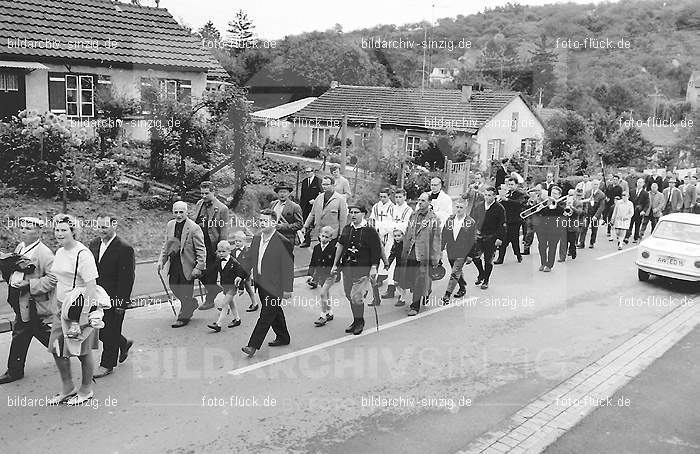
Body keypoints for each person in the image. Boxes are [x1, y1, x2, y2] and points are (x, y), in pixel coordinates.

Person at [47, 214, 105, 406]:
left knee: (82, 351)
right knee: (56, 348)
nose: (59, 233)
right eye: (57, 229)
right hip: (61, 310)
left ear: (74, 231)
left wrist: (83, 317)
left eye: (64, 230)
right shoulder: (60, 251)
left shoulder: (83, 254)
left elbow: (91, 287)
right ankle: (67, 387)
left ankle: (86, 389)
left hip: (79, 311)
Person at [0, 217, 56, 385]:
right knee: (36, 331)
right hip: (21, 301)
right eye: (22, 227)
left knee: (21, 332)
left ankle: (14, 371)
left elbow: (53, 279)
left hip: (32, 303)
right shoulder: (21, 247)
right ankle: (70, 351)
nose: (23, 230)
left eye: (28, 228)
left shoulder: (45, 253)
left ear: (38, 232)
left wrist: (29, 284)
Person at [241, 210, 294, 357]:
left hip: (275, 286)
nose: (262, 223)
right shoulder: (257, 237)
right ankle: (283, 337)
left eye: (265, 221)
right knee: (274, 311)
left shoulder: (283, 242)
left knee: (265, 315)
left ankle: (252, 346)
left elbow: (288, 268)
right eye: (260, 220)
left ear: (274, 223)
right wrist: (241, 275)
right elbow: (250, 258)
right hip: (260, 283)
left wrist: (287, 289)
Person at [89, 214, 135, 379]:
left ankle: (107, 364)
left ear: (114, 225)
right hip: (96, 296)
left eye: (105, 227)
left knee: (111, 330)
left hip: (115, 298)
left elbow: (127, 278)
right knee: (100, 329)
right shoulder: (94, 244)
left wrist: (121, 303)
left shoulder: (124, 248)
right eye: (99, 227)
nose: (101, 231)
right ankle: (123, 343)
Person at [330, 202, 382, 333]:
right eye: (351, 212)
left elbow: (376, 250)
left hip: (363, 270)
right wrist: (335, 264)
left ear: (363, 214)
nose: (352, 215)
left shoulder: (370, 231)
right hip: (347, 268)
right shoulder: (347, 228)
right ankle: (355, 320)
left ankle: (360, 322)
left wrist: (374, 267)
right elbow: (340, 246)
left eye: (356, 212)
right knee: (349, 296)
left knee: (356, 297)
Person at [157, 201, 207, 328]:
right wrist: (161, 260)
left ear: (186, 212)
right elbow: (166, 245)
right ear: (173, 212)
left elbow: (201, 249)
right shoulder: (170, 225)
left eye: (181, 212)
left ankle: (183, 317)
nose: (178, 215)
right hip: (174, 263)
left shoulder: (194, 227)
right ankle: (191, 304)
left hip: (188, 265)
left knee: (185, 291)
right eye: (176, 212)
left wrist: (199, 267)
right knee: (174, 287)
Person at [400, 192, 441, 315]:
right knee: (411, 277)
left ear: (429, 203)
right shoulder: (413, 215)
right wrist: (404, 249)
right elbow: (408, 232)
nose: (420, 203)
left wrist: (435, 258)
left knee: (420, 278)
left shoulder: (434, 219)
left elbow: (436, 240)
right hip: (411, 252)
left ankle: (415, 306)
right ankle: (426, 290)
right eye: (419, 200)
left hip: (424, 254)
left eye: (423, 200)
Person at [193, 181, 230, 311]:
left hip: (212, 244)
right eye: (202, 193)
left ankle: (209, 300)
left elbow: (224, 229)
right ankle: (214, 289)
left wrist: (222, 248)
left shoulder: (222, 208)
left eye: (206, 193)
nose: (203, 196)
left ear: (214, 192)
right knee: (198, 270)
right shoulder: (199, 203)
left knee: (210, 272)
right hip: (199, 243)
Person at [441, 199, 477, 304]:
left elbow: (473, 240)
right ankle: (462, 287)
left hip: (463, 251)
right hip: (451, 250)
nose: (459, 209)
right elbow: (444, 235)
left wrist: (471, 255)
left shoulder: (470, 222)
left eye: (461, 207)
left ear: (465, 208)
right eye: (457, 207)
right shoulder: (450, 220)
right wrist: (441, 249)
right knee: (456, 270)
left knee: (455, 272)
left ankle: (447, 294)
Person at [207, 240, 245, 332]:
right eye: (219, 251)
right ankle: (237, 319)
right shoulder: (218, 261)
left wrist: (241, 288)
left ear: (229, 251)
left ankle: (218, 324)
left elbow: (241, 274)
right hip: (225, 286)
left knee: (224, 304)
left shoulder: (234, 263)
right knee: (231, 303)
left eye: (223, 251)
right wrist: (202, 273)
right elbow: (211, 270)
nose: (221, 253)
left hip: (232, 287)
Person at [382, 189, 413, 299]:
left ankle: (402, 292)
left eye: (400, 197)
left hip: (402, 241)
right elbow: (387, 223)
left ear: (405, 197)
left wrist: (397, 229)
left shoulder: (408, 210)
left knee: (400, 265)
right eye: (396, 197)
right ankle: (390, 289)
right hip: (392, 238)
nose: (398, 199)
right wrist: (393, 230)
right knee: (390, 264)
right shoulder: (392, 209)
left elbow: (406, 225)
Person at [473, 187, 505, 288]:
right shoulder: (479, 206)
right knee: (475, 257)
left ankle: (486, 280)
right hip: (479, 236)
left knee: (488, 260)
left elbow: (502, 224)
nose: (487, 197)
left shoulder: (499, 208)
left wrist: (500, 238)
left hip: (492, 237)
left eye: (489, 195)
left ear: (494, 196)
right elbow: (473, 219)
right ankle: (481, 273)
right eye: (486, 195)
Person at [301, 176, 348, 243]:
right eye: (323, 184)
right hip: (319, 234)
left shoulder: (340, 199)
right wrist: (305, 226)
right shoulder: (319, 197)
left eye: (327, 184)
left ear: (333, 185)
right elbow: (312, 214)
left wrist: (341, 235)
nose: (324, 186)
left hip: (332, 236)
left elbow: (343, 219)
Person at [307, 226, 338, 327]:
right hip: (321, 276)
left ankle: (323, 316)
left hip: (330, 275)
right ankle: (330, 312)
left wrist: (336, 271)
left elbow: (337, 262)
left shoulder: (334, 249)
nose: (324, 238)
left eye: (326, 237)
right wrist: (310, 275)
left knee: (322, 293)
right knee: (326, 294)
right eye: (322, 236)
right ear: (319, 236)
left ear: (330, 238)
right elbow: (313, 262)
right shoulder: (316, 248)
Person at [534, 186, 565, 272]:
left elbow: (564, 213)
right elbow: (542, 214)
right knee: (541, 246)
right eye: (552, 193)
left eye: (555, 193)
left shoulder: (562, 204)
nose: (553, 195)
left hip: (555, 229)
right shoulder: (546, 203)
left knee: (552, 247)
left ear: (559, 195)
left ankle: (549, 265)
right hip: (543, 228)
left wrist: (556, 207)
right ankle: (543, 262)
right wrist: (539, 210)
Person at [368, 188, 395, 287]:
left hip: (388, 234)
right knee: (376, 254)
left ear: (389, 196)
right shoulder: (376, 206)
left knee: (386, 255)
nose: (382, 199)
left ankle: (383, 276)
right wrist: (372, 230)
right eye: (381, 197)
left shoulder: (393, 207)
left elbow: (393, 222)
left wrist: (384, 230)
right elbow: (371, 218)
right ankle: (377, 275)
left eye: (384, 197)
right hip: (377, 233)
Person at [495, 177, 526, 264]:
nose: (510, 186)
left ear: (516, 185)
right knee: (503, 240)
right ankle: (500, 258)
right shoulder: (506, 193)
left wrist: (507, 199)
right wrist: (500, 199)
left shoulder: (520, 194)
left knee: (514, 240)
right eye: (509, 184)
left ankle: (518, 255)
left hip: (515, 221)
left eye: (512, 184)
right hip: (506, 220)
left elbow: (519, 203)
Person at [231, 231, 260, 312]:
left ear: (244, 241)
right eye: (236, 241)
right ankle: (229, 306)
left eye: (239, 241)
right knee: (231, 291)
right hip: (235, 274)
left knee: (248, 288)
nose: (237, 243)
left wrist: (242, 278)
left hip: (245, 274)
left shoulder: (247, 251)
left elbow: (248, 265)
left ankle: (255, 303)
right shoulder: (233, 251)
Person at [578, 179, 606, 249]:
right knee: (584, 228)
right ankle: (581, 243)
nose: (595, 186)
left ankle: (592, 242)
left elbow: (601, 206)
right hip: (587, 213)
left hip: (595, 214)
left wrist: (596, 216)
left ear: (598, 185)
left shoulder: (601, 195)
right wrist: (583, 211)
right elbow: (584, 203)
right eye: (594, 184)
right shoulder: (587, 192)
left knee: (594, 229)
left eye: (597, 184)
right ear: (591, 185)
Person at [299, 166, 323, 247]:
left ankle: (320, 241)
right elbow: (302, 195)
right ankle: (306, 240)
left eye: (309, 172)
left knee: (317, 224)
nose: (308, 173)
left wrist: (315, 201)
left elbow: (322, 194)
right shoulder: (305, 181)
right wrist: (301, 207)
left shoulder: (318, 181)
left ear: (313, 172)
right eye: (306, 172)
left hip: (315, 207)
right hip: (306, 206)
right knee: (306, 223)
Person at [385, 229, 409, 307]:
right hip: (398, 266)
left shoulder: (406, 245)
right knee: (396, 282)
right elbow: (392, 255)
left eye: (399, 236)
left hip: (405, 266)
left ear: (403, 236)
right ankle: (402, 294)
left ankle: (403, 298)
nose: (397, 238)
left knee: (402, 283)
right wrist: (387, 264)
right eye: (395, 236)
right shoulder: (395, 245)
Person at [559, 189, 583, 261]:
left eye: (572, 195)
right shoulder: (564, 203)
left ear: (575, 195)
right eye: (569, 195)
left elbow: (579, 212)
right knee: (563, 242)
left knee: (572, 242)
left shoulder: (578, 203)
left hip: (573, 225)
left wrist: (572, 208)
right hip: (564, 225)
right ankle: (562, 257)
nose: (570, 196)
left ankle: (573, 250)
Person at [626, 178, 649, 244]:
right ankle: (627, 237)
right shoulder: (632, 191)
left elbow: (647, 203)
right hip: (632, 210)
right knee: (630, 224)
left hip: (639, 211)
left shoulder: (645, 193)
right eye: (638, 182)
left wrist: (644, 211)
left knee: (637, 224)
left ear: (643, 184)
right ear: (637, 183)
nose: (639, 184)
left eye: (641, 183)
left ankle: (636, 237)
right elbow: (629, 200)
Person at [521, 186, 541, 255]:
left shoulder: (543, 198)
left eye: (538, 190)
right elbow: (525, 212)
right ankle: (526, 249)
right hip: (530, 218)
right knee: (529, 234)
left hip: (539, 218)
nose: (537, 191)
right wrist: (528, 204)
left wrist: (537, 203)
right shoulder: (528, 200)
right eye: (536, 190)